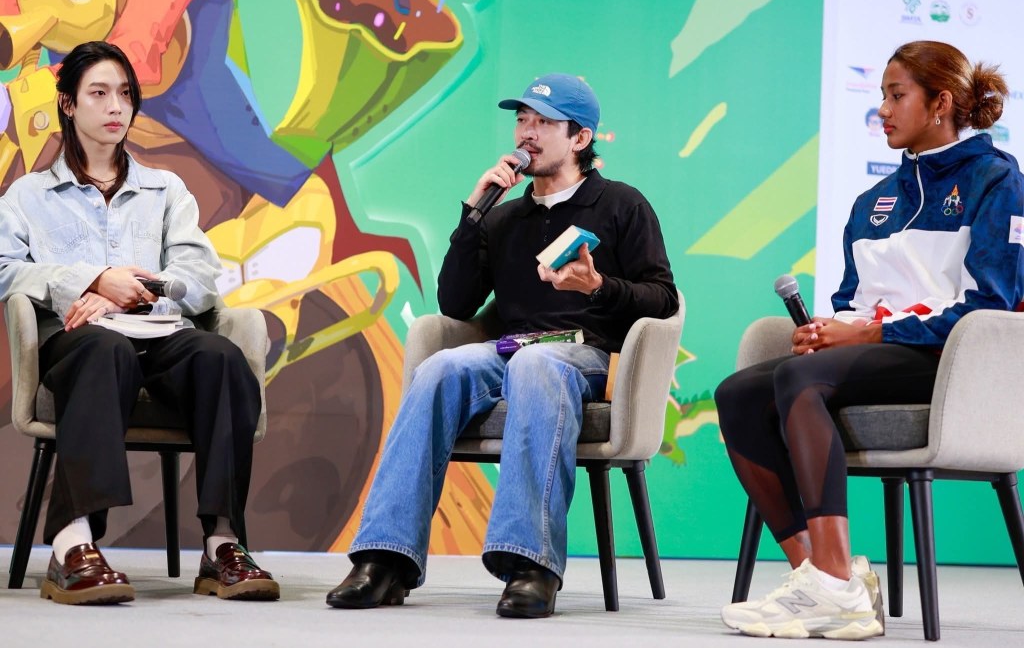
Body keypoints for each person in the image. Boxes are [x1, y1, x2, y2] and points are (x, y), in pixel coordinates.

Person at [326, 73, 678, 618]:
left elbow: (663, 299)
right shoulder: (505, 217)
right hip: (512, 348)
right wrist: (474, 213)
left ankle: (530, 565)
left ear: (580, 138)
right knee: (440, 367)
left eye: (543, 122)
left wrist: (597, 286)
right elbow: (456, 304)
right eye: (522, 120)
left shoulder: (620, 204)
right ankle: (385, 560)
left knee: (537, 363)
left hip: (585, 354)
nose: (526, 133)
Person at [717, 40, 1024, 640]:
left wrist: (873, 330)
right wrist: (830, 332)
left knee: (797, 379)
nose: (881, 110)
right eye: (881, 95)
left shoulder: (997, 181)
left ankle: (833, 581)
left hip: (952, 363)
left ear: (940, 103)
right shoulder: (871, 203)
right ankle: (819, 577)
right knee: (738, 394)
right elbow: (852, 301)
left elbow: (990, 307)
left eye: (895, 95)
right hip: (882, 353)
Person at [0, 41, 279, 605]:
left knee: (222, 357)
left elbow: (200, 274)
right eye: (99, 93)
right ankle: (73, 543)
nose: (116, 107)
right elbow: (4, 269)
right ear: (67, 104)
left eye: (125, 94)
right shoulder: (29, 195)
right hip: (77, 343)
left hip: (160, 333)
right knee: (105, 351)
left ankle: (223, 543)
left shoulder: (165, 189)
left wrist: (135, 293)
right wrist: (90, 280)